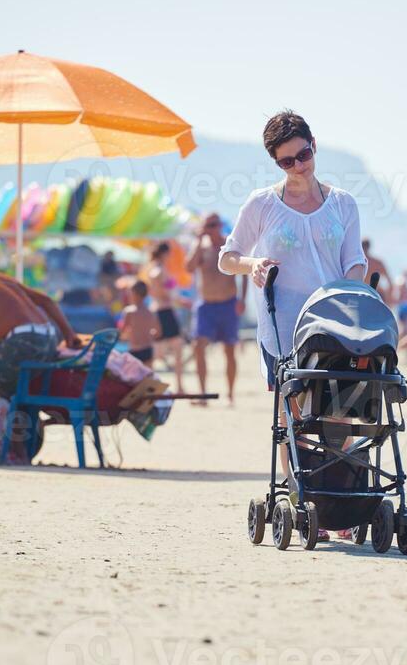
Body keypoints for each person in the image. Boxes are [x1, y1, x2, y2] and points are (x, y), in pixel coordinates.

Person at [219, 109, 367, 541]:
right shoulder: (262, 204)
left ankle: (334, 503)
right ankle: (306, 502)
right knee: (295, 418)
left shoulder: (343, 203)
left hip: (333, 326)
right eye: (287, 161)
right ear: (276, 164)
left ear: (314, 145)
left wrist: (349, 290)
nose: (298, 166)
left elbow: (354, 261)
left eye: (302, 155)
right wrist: (253, 265)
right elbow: (227, 258)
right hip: (281, 328)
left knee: (339, 416)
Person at [0, 255, 80, 464]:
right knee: (8, 388)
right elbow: (46, 300)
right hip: (48, 339)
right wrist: (69, 335)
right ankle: (18, 454)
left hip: (22, 341)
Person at [186, 213, 247, 405]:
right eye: (207, 225)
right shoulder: (200, 248)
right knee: (198, 346)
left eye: (213, 225)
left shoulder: (228, 246)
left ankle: (230, 394)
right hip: (205, 305)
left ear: (219, 225)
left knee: (229, 350)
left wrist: (242, 299)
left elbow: (243, 272)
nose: (210, 229)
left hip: (228, 303)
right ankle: (203, 394)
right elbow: (188, 267)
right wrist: (197, 241)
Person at [142, 242, 186, 391]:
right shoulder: (158, 269)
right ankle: (177, 386)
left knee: (160, 352)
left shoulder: (154, 267)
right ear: (164, 253)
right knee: (171, 351)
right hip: (164, 312)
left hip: (160, 311)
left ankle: (150, 386)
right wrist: (173, 297)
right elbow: (156, 289)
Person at [119, 280, 160, 367]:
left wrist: (129, 335)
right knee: (148, 378)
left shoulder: (129, 312)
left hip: (134, 349)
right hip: (148, 349)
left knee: (133, 379)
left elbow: (122, 332)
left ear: (133, 293)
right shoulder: (150, 312)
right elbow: (158, 333)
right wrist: (147, 334)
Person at [362, 238, 392, 306]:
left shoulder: (358, 263)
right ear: (369, 247)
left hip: (363, 293)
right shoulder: (378, 263)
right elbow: (390, 282)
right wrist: (388, 298)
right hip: (377, 294)